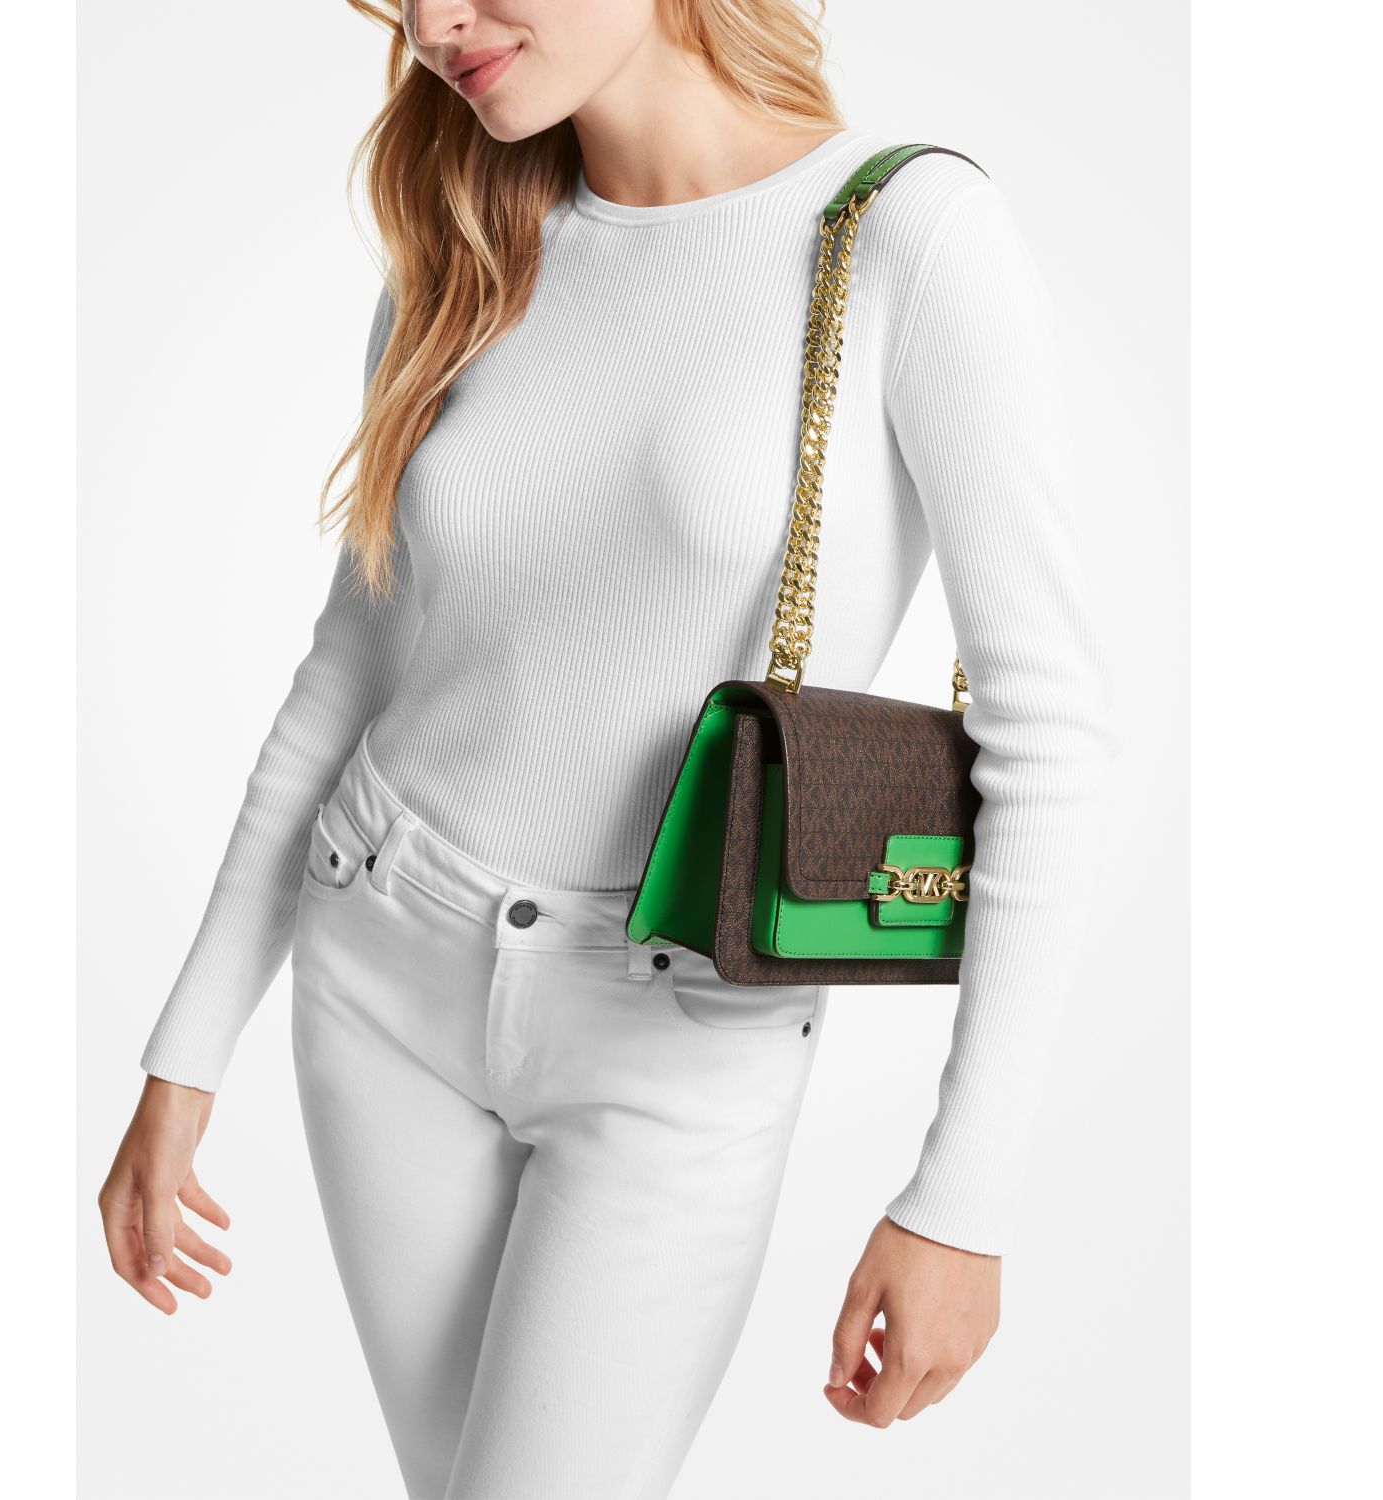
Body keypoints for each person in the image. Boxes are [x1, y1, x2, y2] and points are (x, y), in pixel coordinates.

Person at [97, 2, 1116, 1495]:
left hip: (679, 1032)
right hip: (381, 969)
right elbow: (355, 661)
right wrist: (185, 1056)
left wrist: (965, 1198)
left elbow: (1046, 729)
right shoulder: (464, 248)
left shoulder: (904, 234)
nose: (434, 24)